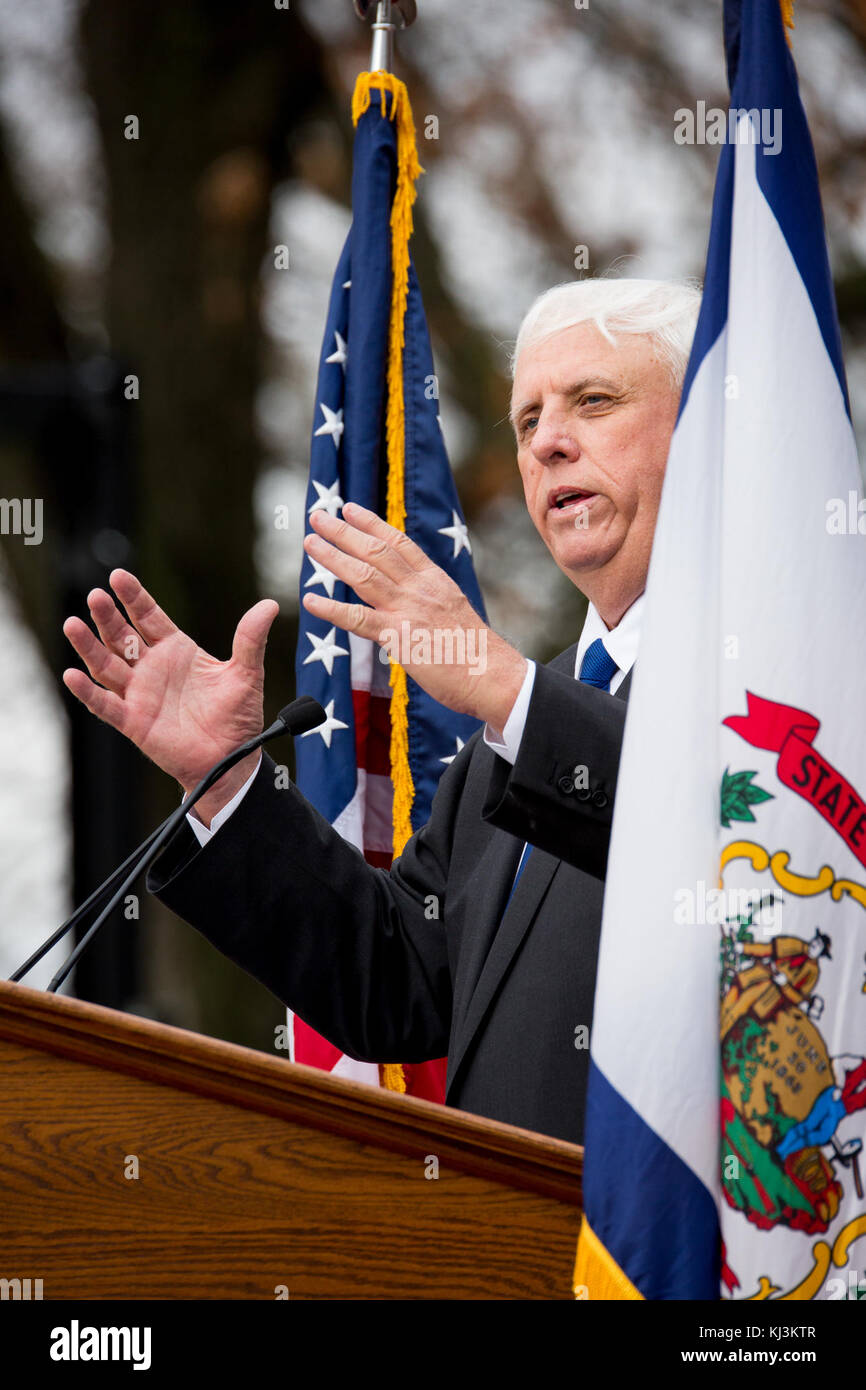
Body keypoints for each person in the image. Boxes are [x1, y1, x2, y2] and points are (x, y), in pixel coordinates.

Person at [62, 277, 701, 1145]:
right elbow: (392, 982)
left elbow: (717, 838)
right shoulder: (511, 739)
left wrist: (503, 688)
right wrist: (230, 785)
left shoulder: (791, 674)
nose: (547, 443)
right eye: (526, 421)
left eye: (593, 401)